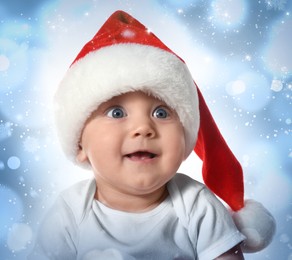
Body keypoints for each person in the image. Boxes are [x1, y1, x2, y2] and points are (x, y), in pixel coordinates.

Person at [28, 10, 275, 260]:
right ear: (79, 144)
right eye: (116, 112)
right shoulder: (70, 211)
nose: (143, 127)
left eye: (161, 113)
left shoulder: (196, 204)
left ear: (186, 140)